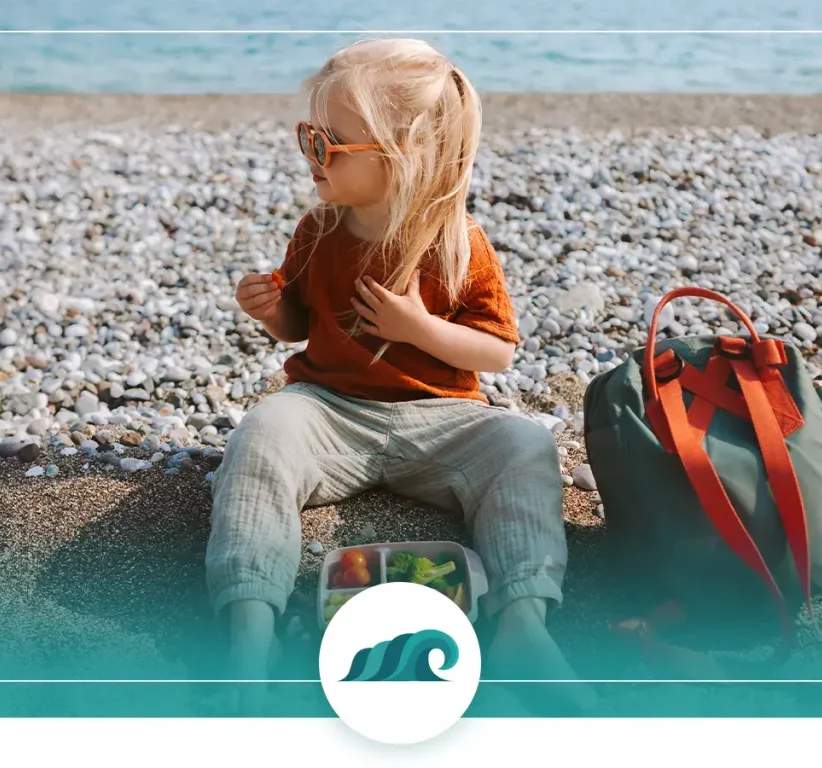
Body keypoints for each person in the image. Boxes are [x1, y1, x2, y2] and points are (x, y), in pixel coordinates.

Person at [207, 37, 596, 714]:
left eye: (328, 146)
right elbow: (301, 325)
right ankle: (250, 624)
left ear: (403, 154)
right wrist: (273, 313)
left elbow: (497, 353)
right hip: (328, 408)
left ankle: (521, 623)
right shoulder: (320, 228)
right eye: (308, 137)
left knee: (525, 446)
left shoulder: (457, 240)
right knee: (263, 434)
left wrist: (420, 330)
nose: (310, 156)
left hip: (443, 420)